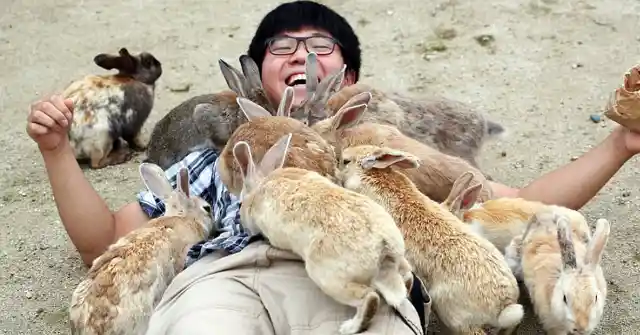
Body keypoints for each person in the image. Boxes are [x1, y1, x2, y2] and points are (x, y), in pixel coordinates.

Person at [24, 1, 639, 334]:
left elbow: (521, 201)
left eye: (321, 46)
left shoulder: (382, 153)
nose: (300, 54)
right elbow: (104, 241)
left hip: (365, 282)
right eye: (281, 47)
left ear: (349, 77)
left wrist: (620, 145)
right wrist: (57, 151)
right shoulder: (221, 152)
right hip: (226, 278)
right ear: (253, 76)